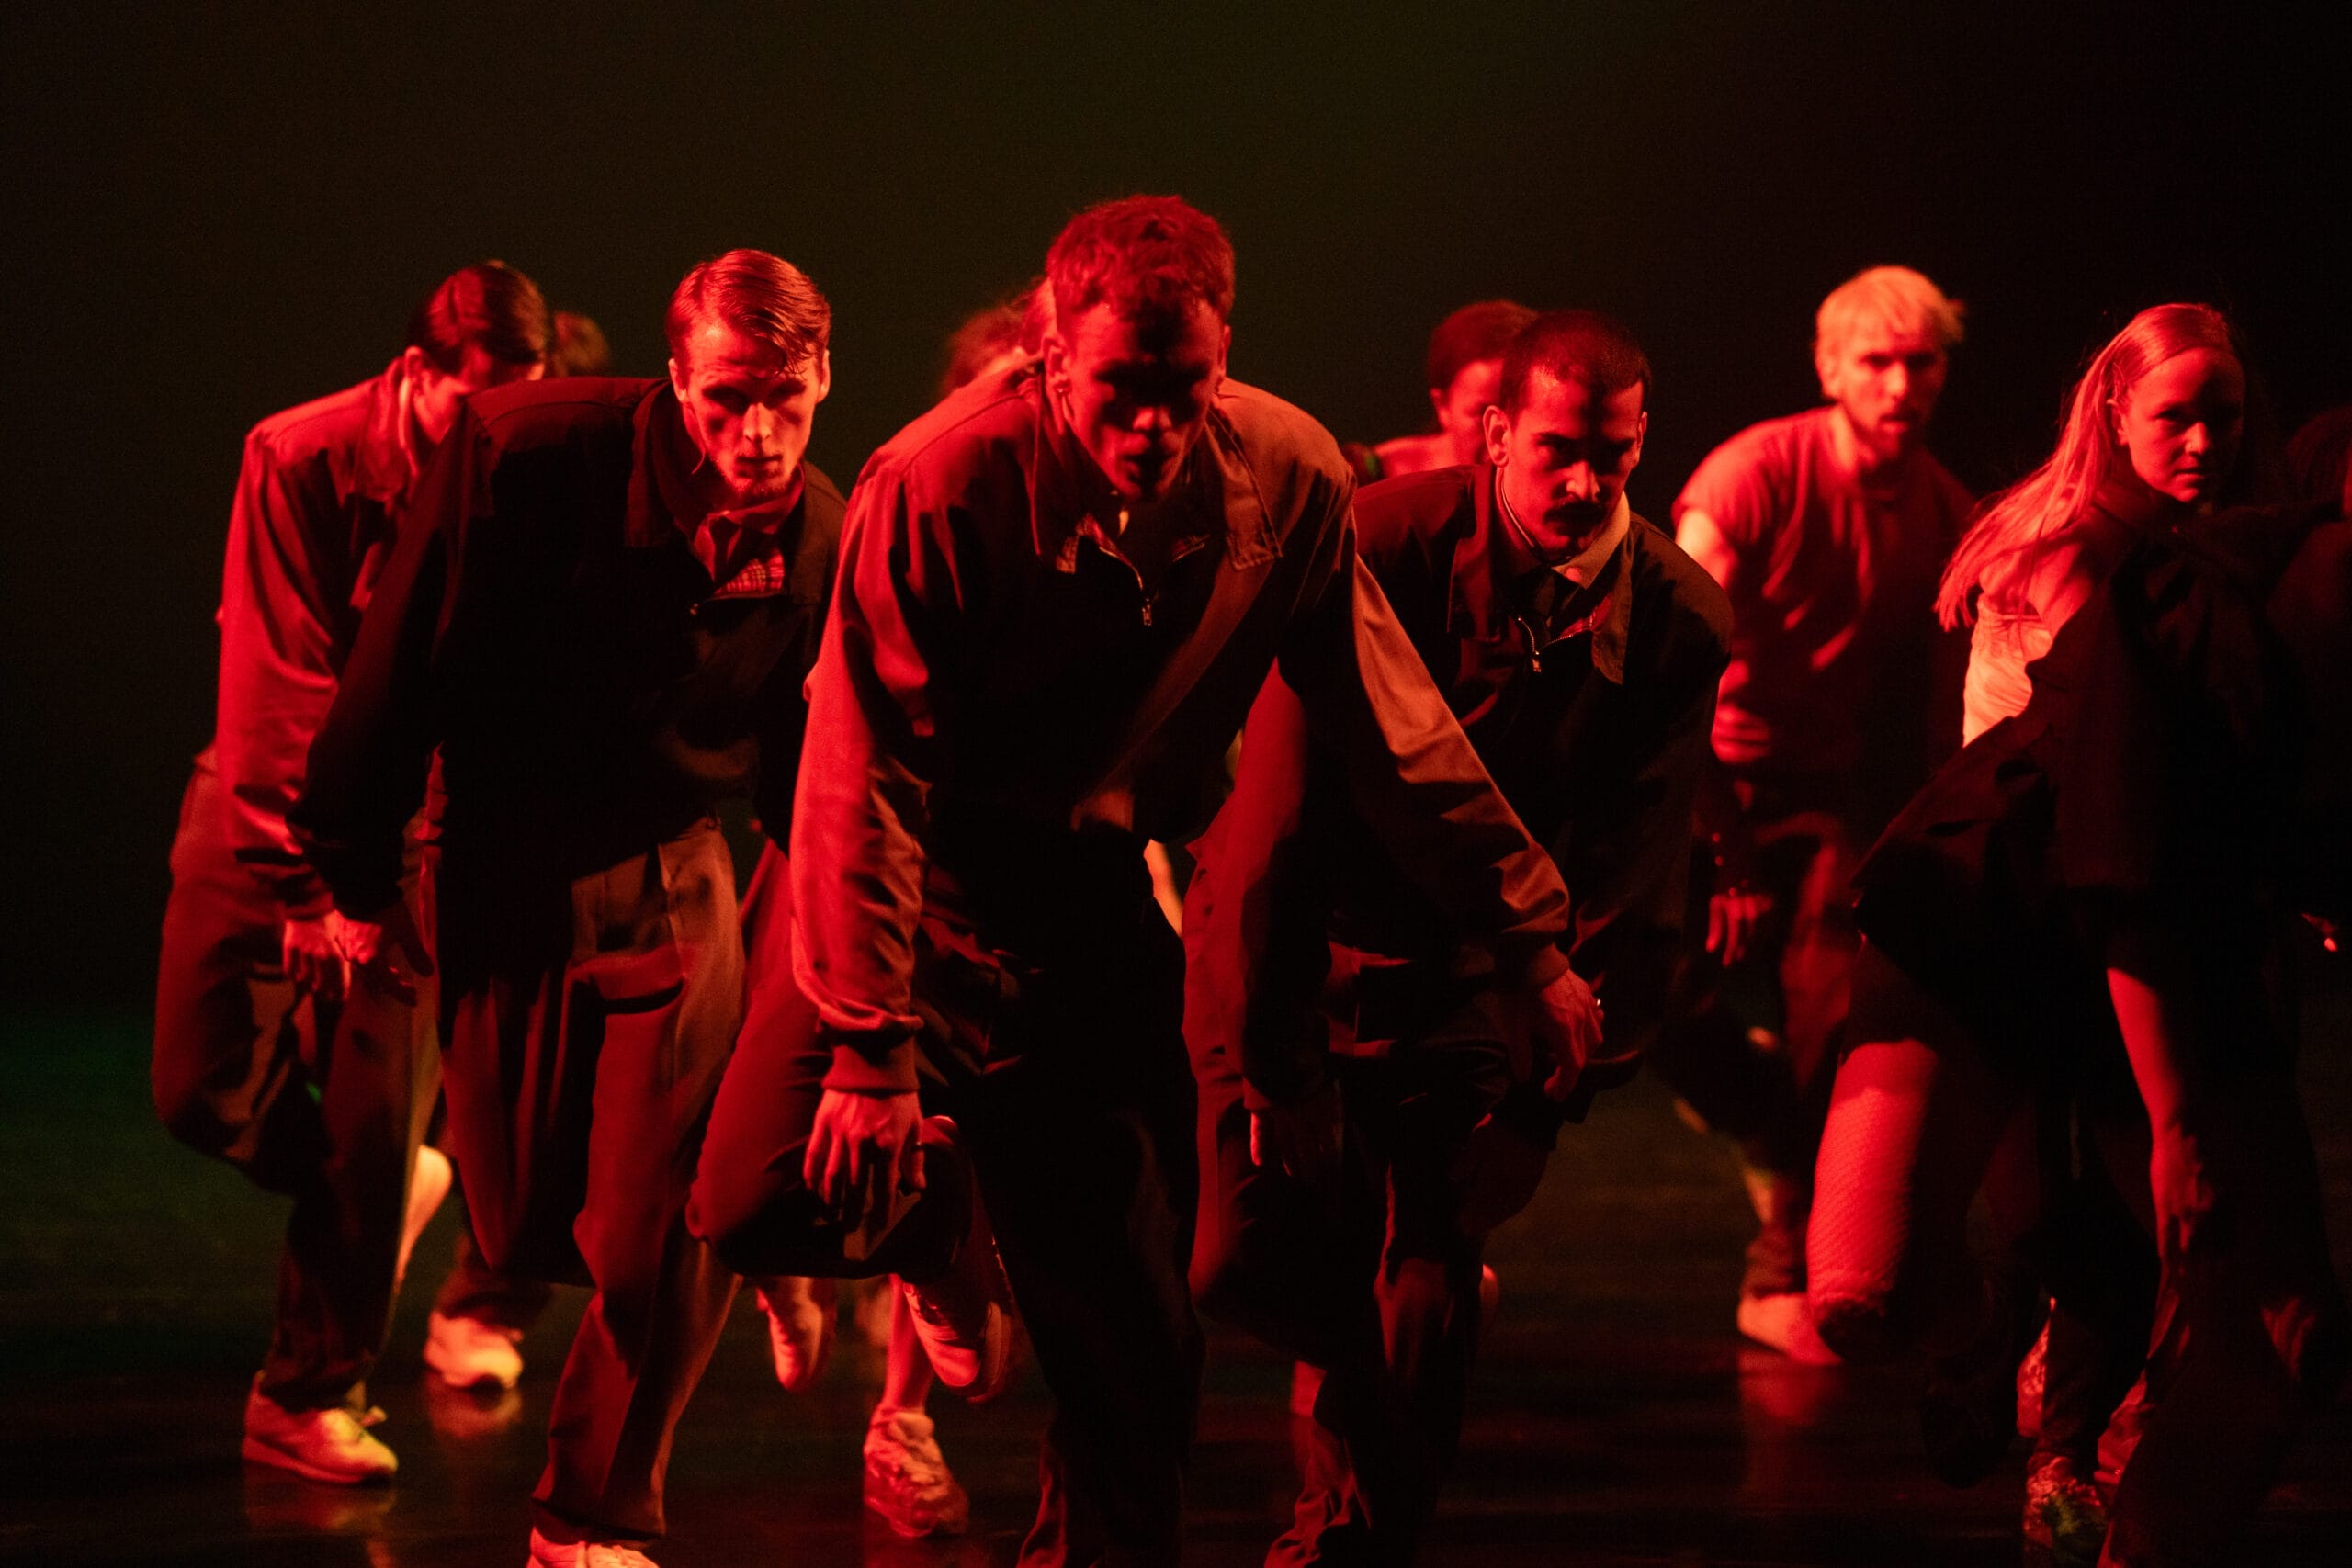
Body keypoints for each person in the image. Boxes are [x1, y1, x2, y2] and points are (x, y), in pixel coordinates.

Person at [687, 194, 1603, 1567]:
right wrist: (872, 1048)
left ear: (1221, 359)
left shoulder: (1285, 477)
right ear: (1055, 356)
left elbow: (1394, 724)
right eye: (1122, 389)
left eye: (1187, 389)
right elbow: (861, 776)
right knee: (759, 1192)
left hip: (1091, 911)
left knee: (1134, 1352)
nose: (1153, 426)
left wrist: (1529, 935)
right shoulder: (939, 483)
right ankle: (940, 1228)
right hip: (920, 906)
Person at [293, 250, 843, 1568]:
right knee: (527, 1210)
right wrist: (356, 872)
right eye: (726, 401)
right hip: (501, 858)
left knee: (669, 1207)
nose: (755, 434)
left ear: (823, 378)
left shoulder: (817, 522)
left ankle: (594, 1509)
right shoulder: (525, 452)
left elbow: (802, 757)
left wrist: (821, 963)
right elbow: (395, 663)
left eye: (784, 397)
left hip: (677, 865)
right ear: (677, 378)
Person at [1808, 305, 2347, 1565]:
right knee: (1869, 1289)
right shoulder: (2069, 558)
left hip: (2123, 937)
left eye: (2226, 415)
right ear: (2112, 414)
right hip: (2003, 920)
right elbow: (2087, 819)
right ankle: (1990, 1330)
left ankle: (2085, 1459)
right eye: (2175, 414)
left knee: (2168, 1263)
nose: (2207, 441)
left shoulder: (2239, 564)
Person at [1188, 310, 1728, 1564]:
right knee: (1239, 1255)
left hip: (1476, 979)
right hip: (1300, 935)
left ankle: (1355, 1541)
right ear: (1493, 431)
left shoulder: (1674, 618)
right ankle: (1353, 1333)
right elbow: (1279, 823)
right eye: (1556, 452)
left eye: (1616, 457)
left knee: (1426, 1274)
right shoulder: (1378, 542)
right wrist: (1276, 1062)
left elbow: (1632, 882)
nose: (1587, 486)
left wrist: (1545, 1111)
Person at [152, 262, 549, 1484]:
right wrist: (312, 882)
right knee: (202, 1086)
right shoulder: (300, 453)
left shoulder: (515, 468)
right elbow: (278, 677)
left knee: (376, 1118)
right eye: (476, 406)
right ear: (419, 374)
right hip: (268, 805)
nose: (493, 433)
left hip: (412, 829)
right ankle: (369, 1203)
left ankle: (307, 1385)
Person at [1655, 265, 1973, 1359]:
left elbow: (1951, 696)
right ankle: (1753, 1106)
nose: (1898, 384)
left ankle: (1779, 1268)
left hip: (1818, 789)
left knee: (1831, 1021)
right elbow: (1670, 667)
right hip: (1695, 779)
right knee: (1641, 999)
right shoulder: (1753, 474)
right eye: (1876, 362)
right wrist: (1722, 845)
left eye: (1918, 361)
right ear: (1831, 369)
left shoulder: (1941, 507)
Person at [1348, 300, 1536, 482]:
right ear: (1442, 406)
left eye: (1519, 410)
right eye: (1483, 414)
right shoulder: (1369, 478)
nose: (1504, 435)